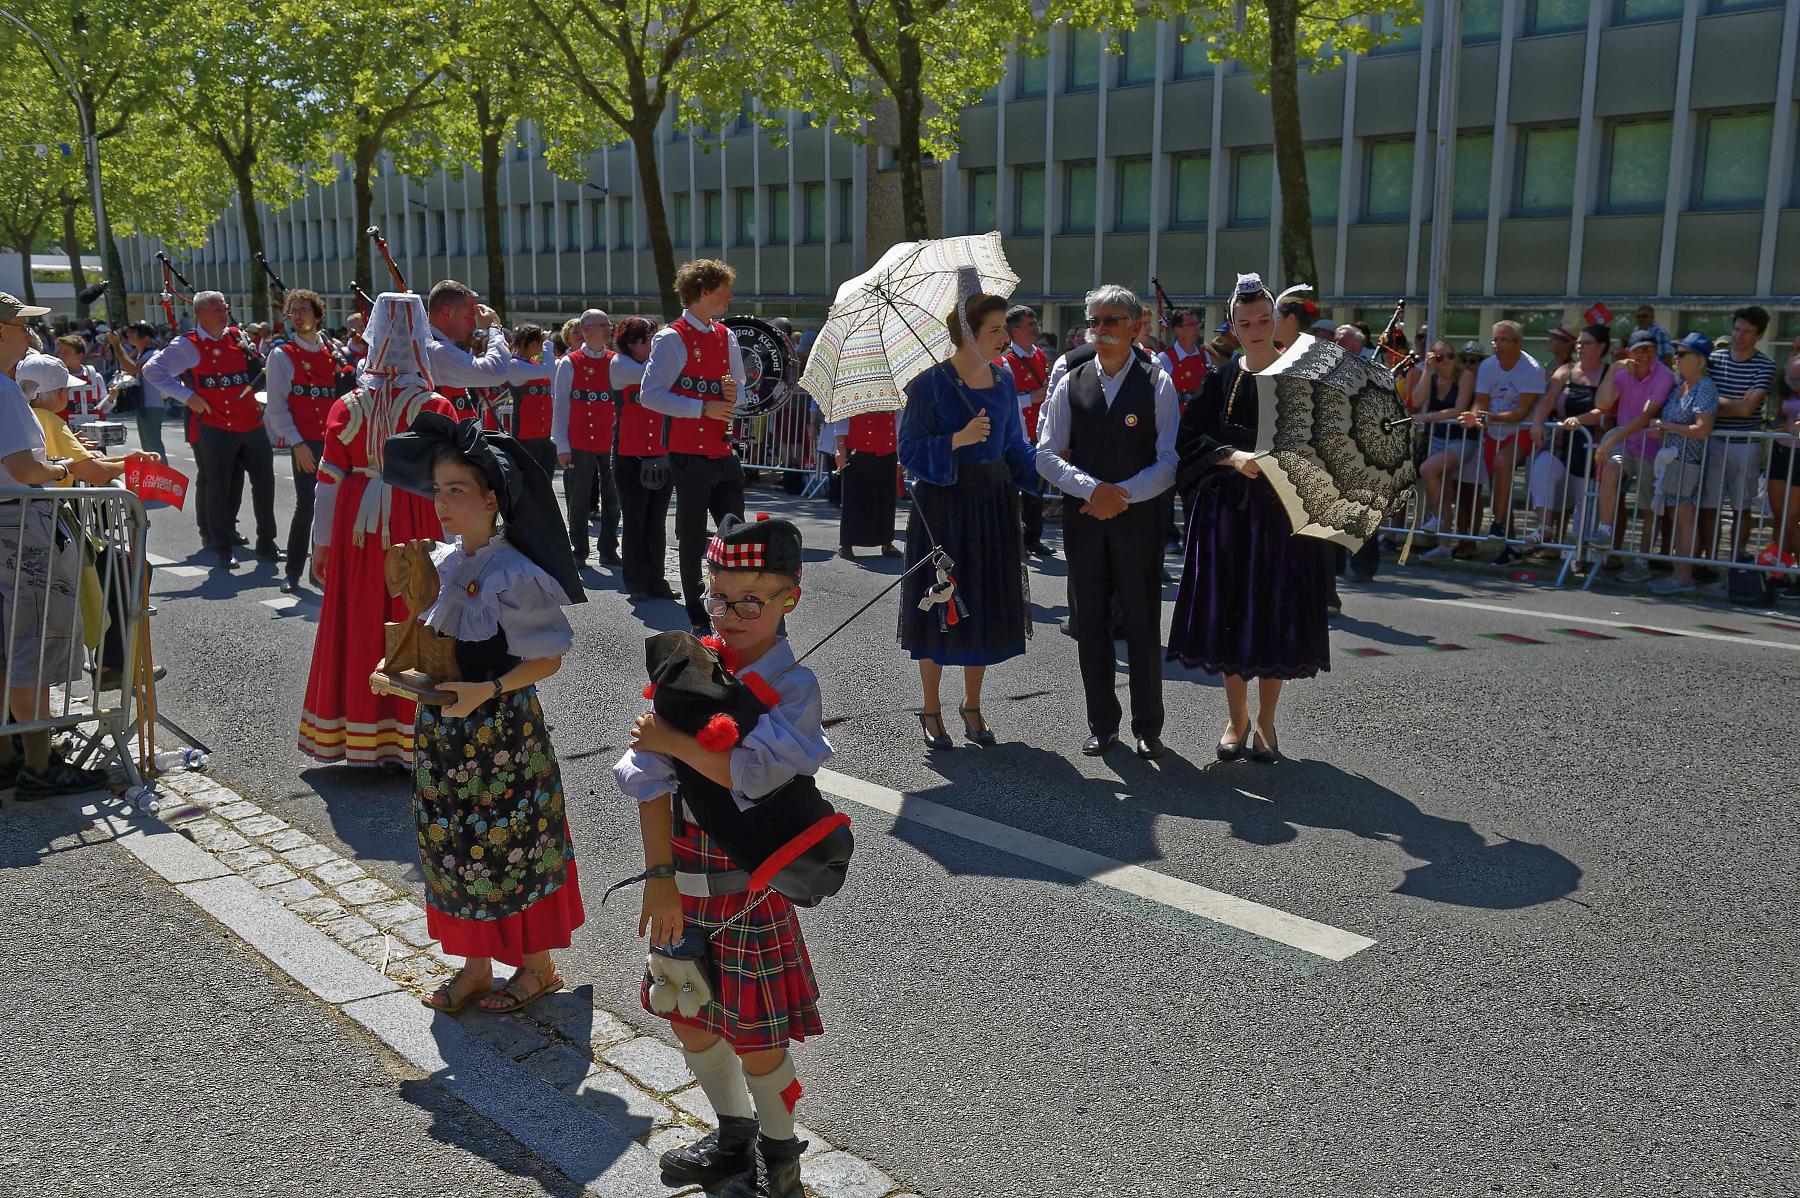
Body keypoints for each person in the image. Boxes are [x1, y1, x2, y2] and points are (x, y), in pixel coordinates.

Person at [617, 515, 830, 1198]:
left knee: (757, 1031)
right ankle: (732, 1134)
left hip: (750, 887)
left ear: (789, 598)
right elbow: (647, 780)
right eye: (717, 599)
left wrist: (676, 743)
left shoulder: (793, 687)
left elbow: (757, 776)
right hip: (680, 882)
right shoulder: (688, 664)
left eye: (751, 601)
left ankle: (780, 1156)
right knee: (687, 1007)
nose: (731, 616)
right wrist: (658, 880)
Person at [375, 410, 585, 1018]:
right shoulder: (438, 564)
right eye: (438, 490)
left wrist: (486, 690)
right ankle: (473, 968)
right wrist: (396, 676)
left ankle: (538, 966)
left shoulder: (512, 573)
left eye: (457, 491)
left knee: (513, 844)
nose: (442, 503)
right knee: (455, 846)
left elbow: (547, 659)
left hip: (502, 736)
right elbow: (427, 646)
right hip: (443, 736)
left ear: (492, 499)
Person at [1165, 274, 1334, 763]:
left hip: (1280, 517)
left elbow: (1322, 445)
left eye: (1265, 320)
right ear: (1233, 327)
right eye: (1246, 322)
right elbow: (1188, 438)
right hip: (1227, 516)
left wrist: (1286, 460)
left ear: (1277, 321)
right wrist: (1230, 456)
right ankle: (1235, 719)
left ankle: (1266, 721)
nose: (1257, 328)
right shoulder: (1220, 378)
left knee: (1273, 613)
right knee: (1230, 616)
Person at [298, 293, 460, 769]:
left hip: (358, 529)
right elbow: (450, 482)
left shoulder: (348, 405)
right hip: (418, 519)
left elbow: (327, 485)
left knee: (362, 618)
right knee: (419, 611)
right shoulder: (434, 406)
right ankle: (413, 737)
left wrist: (320, 544)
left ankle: (360, 737)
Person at [1035, 285, 1178, 759]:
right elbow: (1046, 454)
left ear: (1137, 328)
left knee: (1141, 622)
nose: (1099, 331)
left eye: (1110, 321)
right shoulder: (1068, 373)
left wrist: (1121, 496)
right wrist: (1091, 490)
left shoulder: (1157, 379)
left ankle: (1148, 727)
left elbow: (1167, 461)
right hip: (1085, 519)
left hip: (1139, 522)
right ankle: (1102, 722)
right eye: (1092, 322)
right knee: (1090, 622)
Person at [897, 287, 1038, 750]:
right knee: (940, 604)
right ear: (966, 334)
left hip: (993, 504)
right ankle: (931, 705)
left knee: (980, 604)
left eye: (1005, 328)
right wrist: (955, 440)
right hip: (945, 508)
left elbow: (1014, 445)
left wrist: (1051, 468)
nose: (1005, 337)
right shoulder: (927, 385)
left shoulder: (1003, 381)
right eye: (995, 330)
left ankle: (972, 705)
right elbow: (909, 452)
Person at [0, 294, 110, 798]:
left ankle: (10, 754)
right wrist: (63, 469)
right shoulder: (4, 391)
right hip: (21, 527)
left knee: (8, 648)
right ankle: (39, 766)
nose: (29, 338)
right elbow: (25, 469)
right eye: (22, 329)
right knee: (32, 648)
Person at [639, 261, 747, 636]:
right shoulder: (672, 337)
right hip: (689, 453)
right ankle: (697, 615)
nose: (730, 297)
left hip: (723, 451)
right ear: (703, 292)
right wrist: (701, 407)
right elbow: (649, 395)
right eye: (723, 291)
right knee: (692, 534)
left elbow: (741, 389)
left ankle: (738, 602)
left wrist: (736, 394)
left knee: (736, 534)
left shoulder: (725, 335)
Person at [144, 290, 279, 570]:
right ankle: (220, 545)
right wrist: (186, 396)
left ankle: (267, 542)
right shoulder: (187, 345)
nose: (223, 313)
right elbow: (152, 370)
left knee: (264, 484)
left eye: (224, 308)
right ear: (200, 314)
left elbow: (257, 369)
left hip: (251, 422)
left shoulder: (237, 337)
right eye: (216, 309)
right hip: (216, 425)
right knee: (217, 485)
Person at [264, 288, 352, 593]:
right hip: (304, 441)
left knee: (335, 507)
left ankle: (322, 571)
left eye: (304, 310)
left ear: (317, 316)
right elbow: (276, 406)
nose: (298, 316)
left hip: (334, 440)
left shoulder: (334, 352)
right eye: (293, 311)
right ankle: (293, 571)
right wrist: (296, 442)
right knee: (307, 506)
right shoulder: (282, 355)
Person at [1589, 328, 1677, 580]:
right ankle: (1605, 531)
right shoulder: (1622, 371)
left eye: (1650, 349)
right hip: (1626, 443)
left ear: (1656, 351)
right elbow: (1602, 404)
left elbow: (1648, 415)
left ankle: (1642, 560)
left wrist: (1612, 438)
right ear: (1629, 353)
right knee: (1611, 469)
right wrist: (1614, 369)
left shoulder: (1664, 375)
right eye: (1640, 350)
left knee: (1649, 506)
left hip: (1653, 447)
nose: (1646, 354)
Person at [1523, 324, 1612, 551]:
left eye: (1587, 343)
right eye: (1579, 342)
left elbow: (1605, 409)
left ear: (1601, 347)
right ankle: (1545, 525)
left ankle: (1579, 555)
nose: (1580, 347)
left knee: (1585, 503)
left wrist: (1580, 420)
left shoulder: (1608, 374)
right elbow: (1547, 401)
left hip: (1592, 447)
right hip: (1563, 443)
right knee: (1542, 466)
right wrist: (1537, 422)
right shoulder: (1566, 371)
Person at [1462, 320, 1545, 562]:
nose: (1497, 344)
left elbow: (1522, 411)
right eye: (1495, 340)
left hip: (1521, 429)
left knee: (1502, 463)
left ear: (1518, 343)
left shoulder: (1532, 368)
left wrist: (1490, 417)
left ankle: (1497, 523)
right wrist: (1475, 415)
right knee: (1499, 486)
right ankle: (1510, 546)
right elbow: (1481, 400)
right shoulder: (1488, 366)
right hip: (1494, 429)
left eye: (1504, 340)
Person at [1646, 333, 1720, 596]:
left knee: (1684, 518)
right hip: (1674, 460)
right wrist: (1661, 428)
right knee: (1675, 517)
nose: (1676, 357)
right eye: (1677, 352)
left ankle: (1683, 575)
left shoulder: (1704, 387)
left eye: (1683, 353)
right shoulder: (1681, 384)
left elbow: (1703, 428)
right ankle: (1678, 573)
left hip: (1689, 461)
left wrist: (1667, 426)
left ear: (1699, 360)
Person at [1701, 305, 1775, 562]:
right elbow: (1703, 399)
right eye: (1736, 329)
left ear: (1759, 335)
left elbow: (1746, 410)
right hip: (1713, 440)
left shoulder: (1765, 365)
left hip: (1746, 444)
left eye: (1746, 331)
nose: (1739, 336)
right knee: (1709, 504)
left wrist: (1716, 400)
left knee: (1742, 506)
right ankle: (1708, 561)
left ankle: (1736, 561)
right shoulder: (1713, 359)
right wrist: (1731, 402)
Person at [608, 317, 673, 601]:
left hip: (660, 453)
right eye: (648, 340)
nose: (653, 345)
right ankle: (635, 583)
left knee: (656, 523)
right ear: (631, 343)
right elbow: (651, 374)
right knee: (634, 522)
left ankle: (656, 580)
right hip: (628, 455)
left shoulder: (657, 366)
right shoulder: (619, 364)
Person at [552, 308, 624, 566]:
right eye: (601, 324)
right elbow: (560, 405)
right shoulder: (569, 363)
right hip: (579, 441)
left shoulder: (616, 360)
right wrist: (561, 443)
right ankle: (578, 550)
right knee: (579, 499)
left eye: (608, 323)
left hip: (611, 442)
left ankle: (608, 550)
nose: (608, 328)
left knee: (613, 499)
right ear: (586, 330)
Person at [1412, 340, 1481, 559]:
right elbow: (1416, 400)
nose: (1447, 361)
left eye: (1450, 356)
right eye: (1440, 357)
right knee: (1444, 488)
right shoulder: (1431, 376)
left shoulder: (1465, 376)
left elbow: (1459, 409)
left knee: (1427, 470)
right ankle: (1444, 545)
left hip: (1462, 440)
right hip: (1439, 437)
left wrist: (1427, 416)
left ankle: (1437, 517)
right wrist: (1427, 371)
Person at [998, 305, 1053, 557]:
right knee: (1012, 488)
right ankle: (1014, 538)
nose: (1035, 328)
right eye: (1029, 325)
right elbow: (1005, 400)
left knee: (1035, 488)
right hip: (1016, 434)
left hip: (1038, 431)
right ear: (1015, 330)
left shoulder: (1040, 355)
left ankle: (1033, 538)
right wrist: (1032, 398)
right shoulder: (1006, 361)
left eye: (1035, 323)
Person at [423, 280, 512, 427]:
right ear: (447, 312)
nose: (473, 325)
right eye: (469, 317)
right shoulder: (437, 350)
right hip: (444, 446)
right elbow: (498, 371)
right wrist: (495, 327)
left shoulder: (432, 344)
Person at [826, 404, 900, 560]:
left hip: (887, 448)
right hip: (857, 448)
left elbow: (899, 416)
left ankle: (887, 542)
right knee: (853, 499)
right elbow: (842, 414)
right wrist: (840, 445)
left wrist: (901, 446)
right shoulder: (852, 386)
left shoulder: (892, 390)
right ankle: (846, 543)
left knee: (885, 499)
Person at [108, 322, 167, 457]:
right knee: (148, 448)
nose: (129, 335)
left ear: (144, 335)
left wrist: (117, 345)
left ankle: (164, 476)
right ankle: (154, 476)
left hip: (152, 405)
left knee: (153, 446)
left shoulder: (153, 353)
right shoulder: (143, 353)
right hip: (144, 404)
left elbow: (133, 368)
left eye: (133, 332)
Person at [54, 335, 109, 429]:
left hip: (93, 426)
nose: (61, 355)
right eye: (60, 352)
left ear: (79, 356)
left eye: (66, 352)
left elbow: (105, 407)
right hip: (66, 428)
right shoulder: (55, 377)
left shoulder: (95, 376)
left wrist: (111, 398)